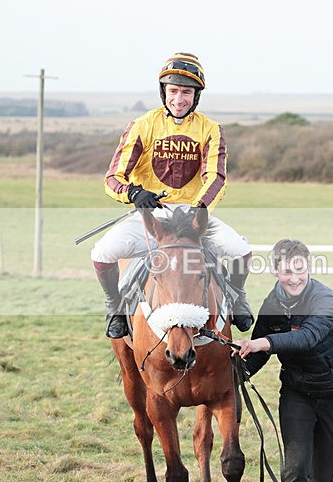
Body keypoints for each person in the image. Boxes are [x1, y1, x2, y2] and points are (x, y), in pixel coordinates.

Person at [90, 52, 253, 338]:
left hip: (194, 217)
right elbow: (112, 178)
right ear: (163, 91)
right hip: (153, 218)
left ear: (196, 95)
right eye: (173, 91)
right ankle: (114, 306)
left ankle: (237, 296)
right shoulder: (141, 126)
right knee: (102, 254)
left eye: (187, 92)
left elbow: (215, 177)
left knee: (241, 252)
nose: (179, 99)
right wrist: (134, 193)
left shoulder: (211, 130)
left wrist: (199, 209)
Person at [233, 239, 333, 482]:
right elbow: (256, 357)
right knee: (295, 471)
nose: (294, 278)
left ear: (309, 267)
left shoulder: (325, 300)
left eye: (299, 270)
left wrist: (261, 343)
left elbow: (307, 338)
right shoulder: (272, 305)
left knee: (322, 479)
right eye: (287, 272)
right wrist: (231, 374)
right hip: (296, 393)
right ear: (275, 271)